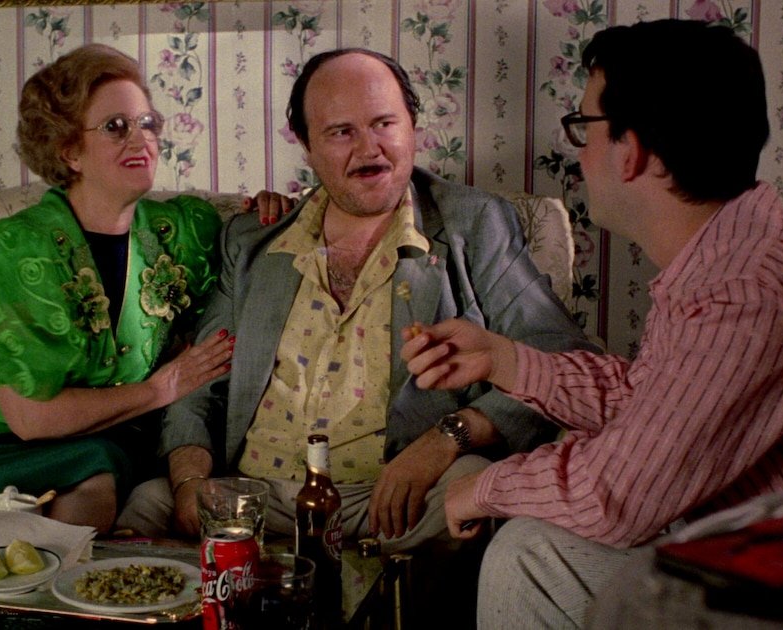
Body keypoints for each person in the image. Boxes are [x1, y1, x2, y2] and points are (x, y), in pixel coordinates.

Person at [399, 19, 783, 628]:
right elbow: (657, 406)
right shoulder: (748, 255)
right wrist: (505, 359)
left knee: (532, 553)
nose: (579, 153)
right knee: (536, 550)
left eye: (585, 127)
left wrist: (484, 487)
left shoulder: (747, 293)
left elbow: (617, 493)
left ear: (633, 151)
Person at [117, 48, 596, 552]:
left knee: (474, 489)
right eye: (342, 132)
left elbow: (560, 358)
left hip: (398, 500)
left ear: (412, 126)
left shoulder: (473, 225)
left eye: (384, 123)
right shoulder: (254, 241)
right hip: (254, 499)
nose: (370, 149)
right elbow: (200, 380)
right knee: (150, 504)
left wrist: (447, 438)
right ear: (306, 146)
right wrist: (191, 481)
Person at [0, 44, 287, 533]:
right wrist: (161, 387)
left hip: (99, 440)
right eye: (116, 126)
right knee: (88, 474)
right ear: (69, 151)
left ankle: (56, 575)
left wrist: (270, 210)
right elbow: (31, 419)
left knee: (99, 473)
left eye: (148, 123)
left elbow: (245, 249)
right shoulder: (14, 248)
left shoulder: (185, 231)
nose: (141, 140)